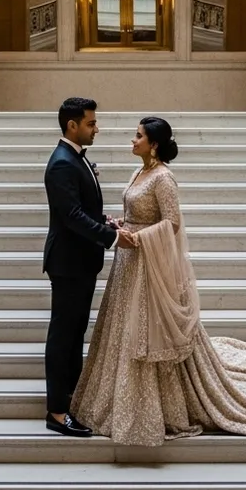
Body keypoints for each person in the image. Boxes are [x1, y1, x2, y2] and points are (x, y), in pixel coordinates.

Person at [70, 116, 246, 445]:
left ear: (155, 144)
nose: (132, 141)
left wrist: (138, 237)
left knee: (148, 333)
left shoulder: (163, 177)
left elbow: (173, 223)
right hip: (129, 264)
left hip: (148, 265)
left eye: (138, 136)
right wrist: (122, 223)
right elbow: (141, 215)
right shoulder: (140, 171)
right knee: (125, 330)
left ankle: (164, 407)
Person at [42, 97, 138, 438]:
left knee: (74, 334)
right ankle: (56, 411)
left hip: (80, 262)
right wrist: (112, 239)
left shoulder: (74, 160)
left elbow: (82, 207)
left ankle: (71, 398)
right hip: (68, 263)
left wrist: (106, 223)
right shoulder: (63, 163)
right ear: (72, 126)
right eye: (91, 123)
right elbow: (70, 216)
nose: (96, 128)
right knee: (62, 336)